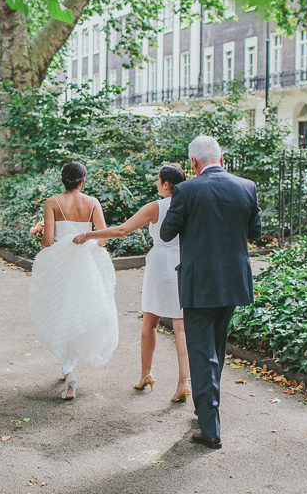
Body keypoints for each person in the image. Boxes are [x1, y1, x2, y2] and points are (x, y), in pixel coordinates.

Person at [160, 136, 261, 450]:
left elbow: (166, 233)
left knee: (202, 354)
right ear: (222, 156)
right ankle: (207, 410)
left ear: (193, 163)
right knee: (216, 348)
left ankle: (210, 428)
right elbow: (255, 233)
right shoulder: (247, 186)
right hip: (232, 284)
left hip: (199, 284)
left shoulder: (187, 190)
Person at [72, 164, 192, 402]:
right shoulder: (190, 205)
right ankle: (184, 383)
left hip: (160, 264)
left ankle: (146, 374)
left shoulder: (154, 207)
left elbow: (121, 231)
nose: (156, 184)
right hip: (183, 262)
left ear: (166, 184)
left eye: (158, 180)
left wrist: (88, 235)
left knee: (150, 323)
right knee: (181, 326)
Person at [28, 162, 118, 400]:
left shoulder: (52, 203)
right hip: (86, 265)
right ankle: (67, 369)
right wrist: (87, 245)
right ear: (82, 180)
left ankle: (68, 371)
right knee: (79, 311)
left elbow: (48, 241)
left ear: (63, 179)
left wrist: (41, 233)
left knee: (60, 313)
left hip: (61, 265)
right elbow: (103, 238)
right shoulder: (92, 203)